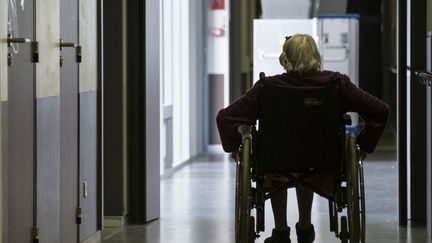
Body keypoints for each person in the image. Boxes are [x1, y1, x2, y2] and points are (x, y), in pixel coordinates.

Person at [216, 34, 390, 243]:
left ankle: (280, 231)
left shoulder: (267, 88)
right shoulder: (337, 84)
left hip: (275, 161)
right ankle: (305, 227)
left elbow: (225, 118)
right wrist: (364, 145)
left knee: (279, 159)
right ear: (315, 55)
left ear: (285, 57)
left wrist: (235, 150)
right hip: (323, 160)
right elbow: (380, 111)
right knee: (306, 160)